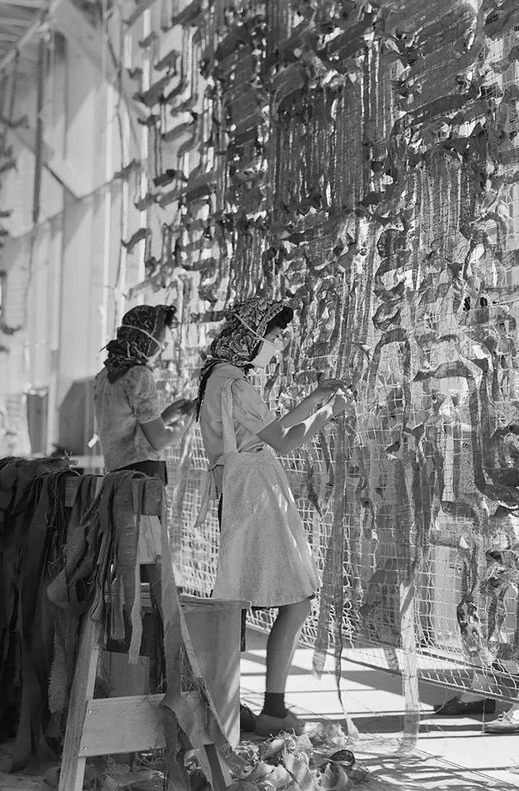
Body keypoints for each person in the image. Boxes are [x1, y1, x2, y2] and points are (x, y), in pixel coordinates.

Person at [196, 297, 349, 736]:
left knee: (244, 603)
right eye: (276, 337)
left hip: (249, 488)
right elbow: (282, 441)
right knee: (290, 600)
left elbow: (274, 432)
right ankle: (267, 707)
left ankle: (232, 702)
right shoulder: (234, 383)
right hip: (255, 492)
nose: (279, 346)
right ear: (252, 335)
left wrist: (317, 402)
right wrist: (326, 411)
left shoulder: (222, 378)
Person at [93, 304, 192, 480]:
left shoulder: (103, 375)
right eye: (159, 341)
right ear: (145, 338)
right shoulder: (138, 375)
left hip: (116, 477)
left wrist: (168, 415)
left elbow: (132, 430)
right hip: (142, 479)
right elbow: (159, 440)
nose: (160, 349)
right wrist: (190, 417)